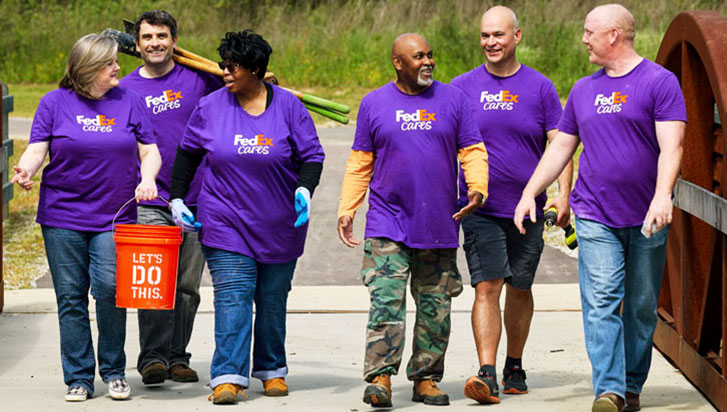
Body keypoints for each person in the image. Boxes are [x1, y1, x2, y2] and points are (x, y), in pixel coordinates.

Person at [513, 4, 686, 412]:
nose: (584, 38)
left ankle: (630, 386)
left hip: (646, 215)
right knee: (602, 301)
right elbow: (561, 147)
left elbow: (672, 147)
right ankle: (608, 390)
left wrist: (663, 194)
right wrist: (530, 191)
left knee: (641, 306)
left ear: (613, 34)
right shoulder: (583, 89)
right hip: (595, 214)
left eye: (590, 31)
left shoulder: (660, 83)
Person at [168, 30, 324, 405]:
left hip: (279, 223)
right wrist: (176, 197)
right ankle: (227, 376)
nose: (224, 71)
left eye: (232, 66)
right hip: (225, 220)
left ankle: (271, 370)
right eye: (223, 64)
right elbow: (187, 155)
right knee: (233, 295)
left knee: (271, 300)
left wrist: (304, 190)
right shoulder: (210, 107)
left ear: (255, 69)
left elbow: (312, 157)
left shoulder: (288, 106)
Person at [337, 33, 489, 408]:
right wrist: (347, 207)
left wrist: (477, 187)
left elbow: (471, 149)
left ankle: (426, 378)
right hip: (388, 222)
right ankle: (380, 378)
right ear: (398, 63)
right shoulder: (374, 103)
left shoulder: (453, 99)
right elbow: (360, 161)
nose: (427, 62)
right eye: (418, 56)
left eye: (430, 55)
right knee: (385, 303)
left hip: (438, 222)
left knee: (435, 306)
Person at [11, 33, 161, 402]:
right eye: (110, 63)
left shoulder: (130, 100)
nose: (118, 68)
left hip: (115, 215)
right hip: (62, 215)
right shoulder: (54, 103)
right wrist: (26, 170)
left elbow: (151, 151)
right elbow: (37, 147)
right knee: (71, 297)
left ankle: (113, 371)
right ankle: (78, 376)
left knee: (111, 291)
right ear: (90, 68)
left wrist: (147, 178)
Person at [451, 6, 572, 404]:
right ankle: (486, 372)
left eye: (498, 35)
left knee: (520, 286)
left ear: (516, 36)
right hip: (480, 208)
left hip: (530, 209)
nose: (490, 43)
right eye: (485, 36)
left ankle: (514, 365)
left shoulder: (540, 87)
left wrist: (563, 194)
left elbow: (561, 144)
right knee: (487, 286)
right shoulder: (462, 86)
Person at [119, 10, 222, 385]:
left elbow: (236, 96)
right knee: (152, 282)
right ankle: (152, 359)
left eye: (161, 36)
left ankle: (178, 357)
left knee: (186, 286)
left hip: (196, 196)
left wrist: (261, 82)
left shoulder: (199, 78)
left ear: (174, 41)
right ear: (137, 44)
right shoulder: (125, 88)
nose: (155, 44)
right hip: (149, 198)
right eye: (147, 37)